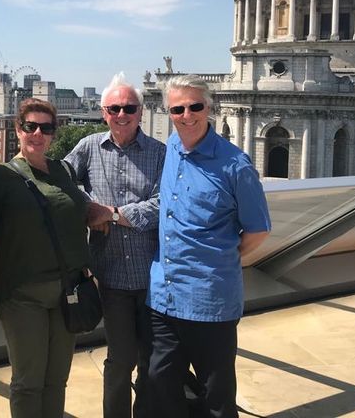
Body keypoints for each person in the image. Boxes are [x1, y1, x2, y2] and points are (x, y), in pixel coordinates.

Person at [147, 75, 271, 418]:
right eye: (178, 108)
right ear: (168, 112)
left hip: (209, 300)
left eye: (195, 106)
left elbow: (258, 230)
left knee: (215, 394)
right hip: (165, 296)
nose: (187, 115)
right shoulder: (171, 148)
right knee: (159, 384)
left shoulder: (236, 165)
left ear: (209, 108)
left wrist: (220, 258)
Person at [0, 98, 90, 418]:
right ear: (18, 129)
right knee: (28, 381)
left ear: (54, 133)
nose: (38, 133)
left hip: (67, 291)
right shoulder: (0, 177)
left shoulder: (64, 171)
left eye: (46, 127)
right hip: (22, 295)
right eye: (31, 126)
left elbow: (80, 212)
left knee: (57, 380)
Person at [65, 73, 165, 418]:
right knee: (120, 361)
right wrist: (85, 204)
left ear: (140, 111)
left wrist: (111, 214)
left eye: (129, 108)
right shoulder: (89, 146)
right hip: (111, 277)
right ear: (103, 111)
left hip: (154, 276)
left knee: (153, 364)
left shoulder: (159, 153)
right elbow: (62, 180)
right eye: (114, 108)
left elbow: (163, 204)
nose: (122, 114)